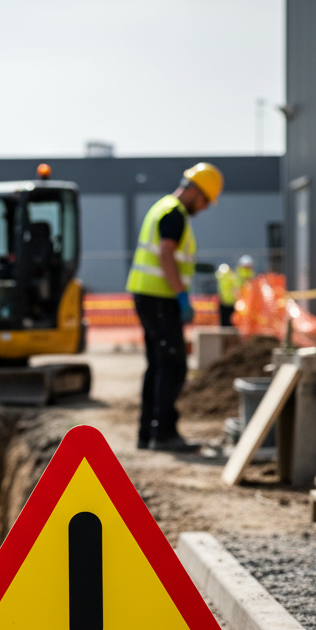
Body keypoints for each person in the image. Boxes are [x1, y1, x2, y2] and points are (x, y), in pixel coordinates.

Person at [126, 162, 223, 451]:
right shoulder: (174, 215)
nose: (204, 208)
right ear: (195, 192)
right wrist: (181, 296)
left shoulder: (162, 207)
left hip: (148, 295)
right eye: (205, 200)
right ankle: (163, 433)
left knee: (158, 365)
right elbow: (166, 254)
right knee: (173, 365)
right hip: (160, 298)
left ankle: (148, 433)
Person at [216, 262, 240, 326]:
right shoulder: (231, 277)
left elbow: (236, 288)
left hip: (229, 301)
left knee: (227, 320)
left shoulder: (229, 278)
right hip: (226, 301)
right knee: (226, 320)